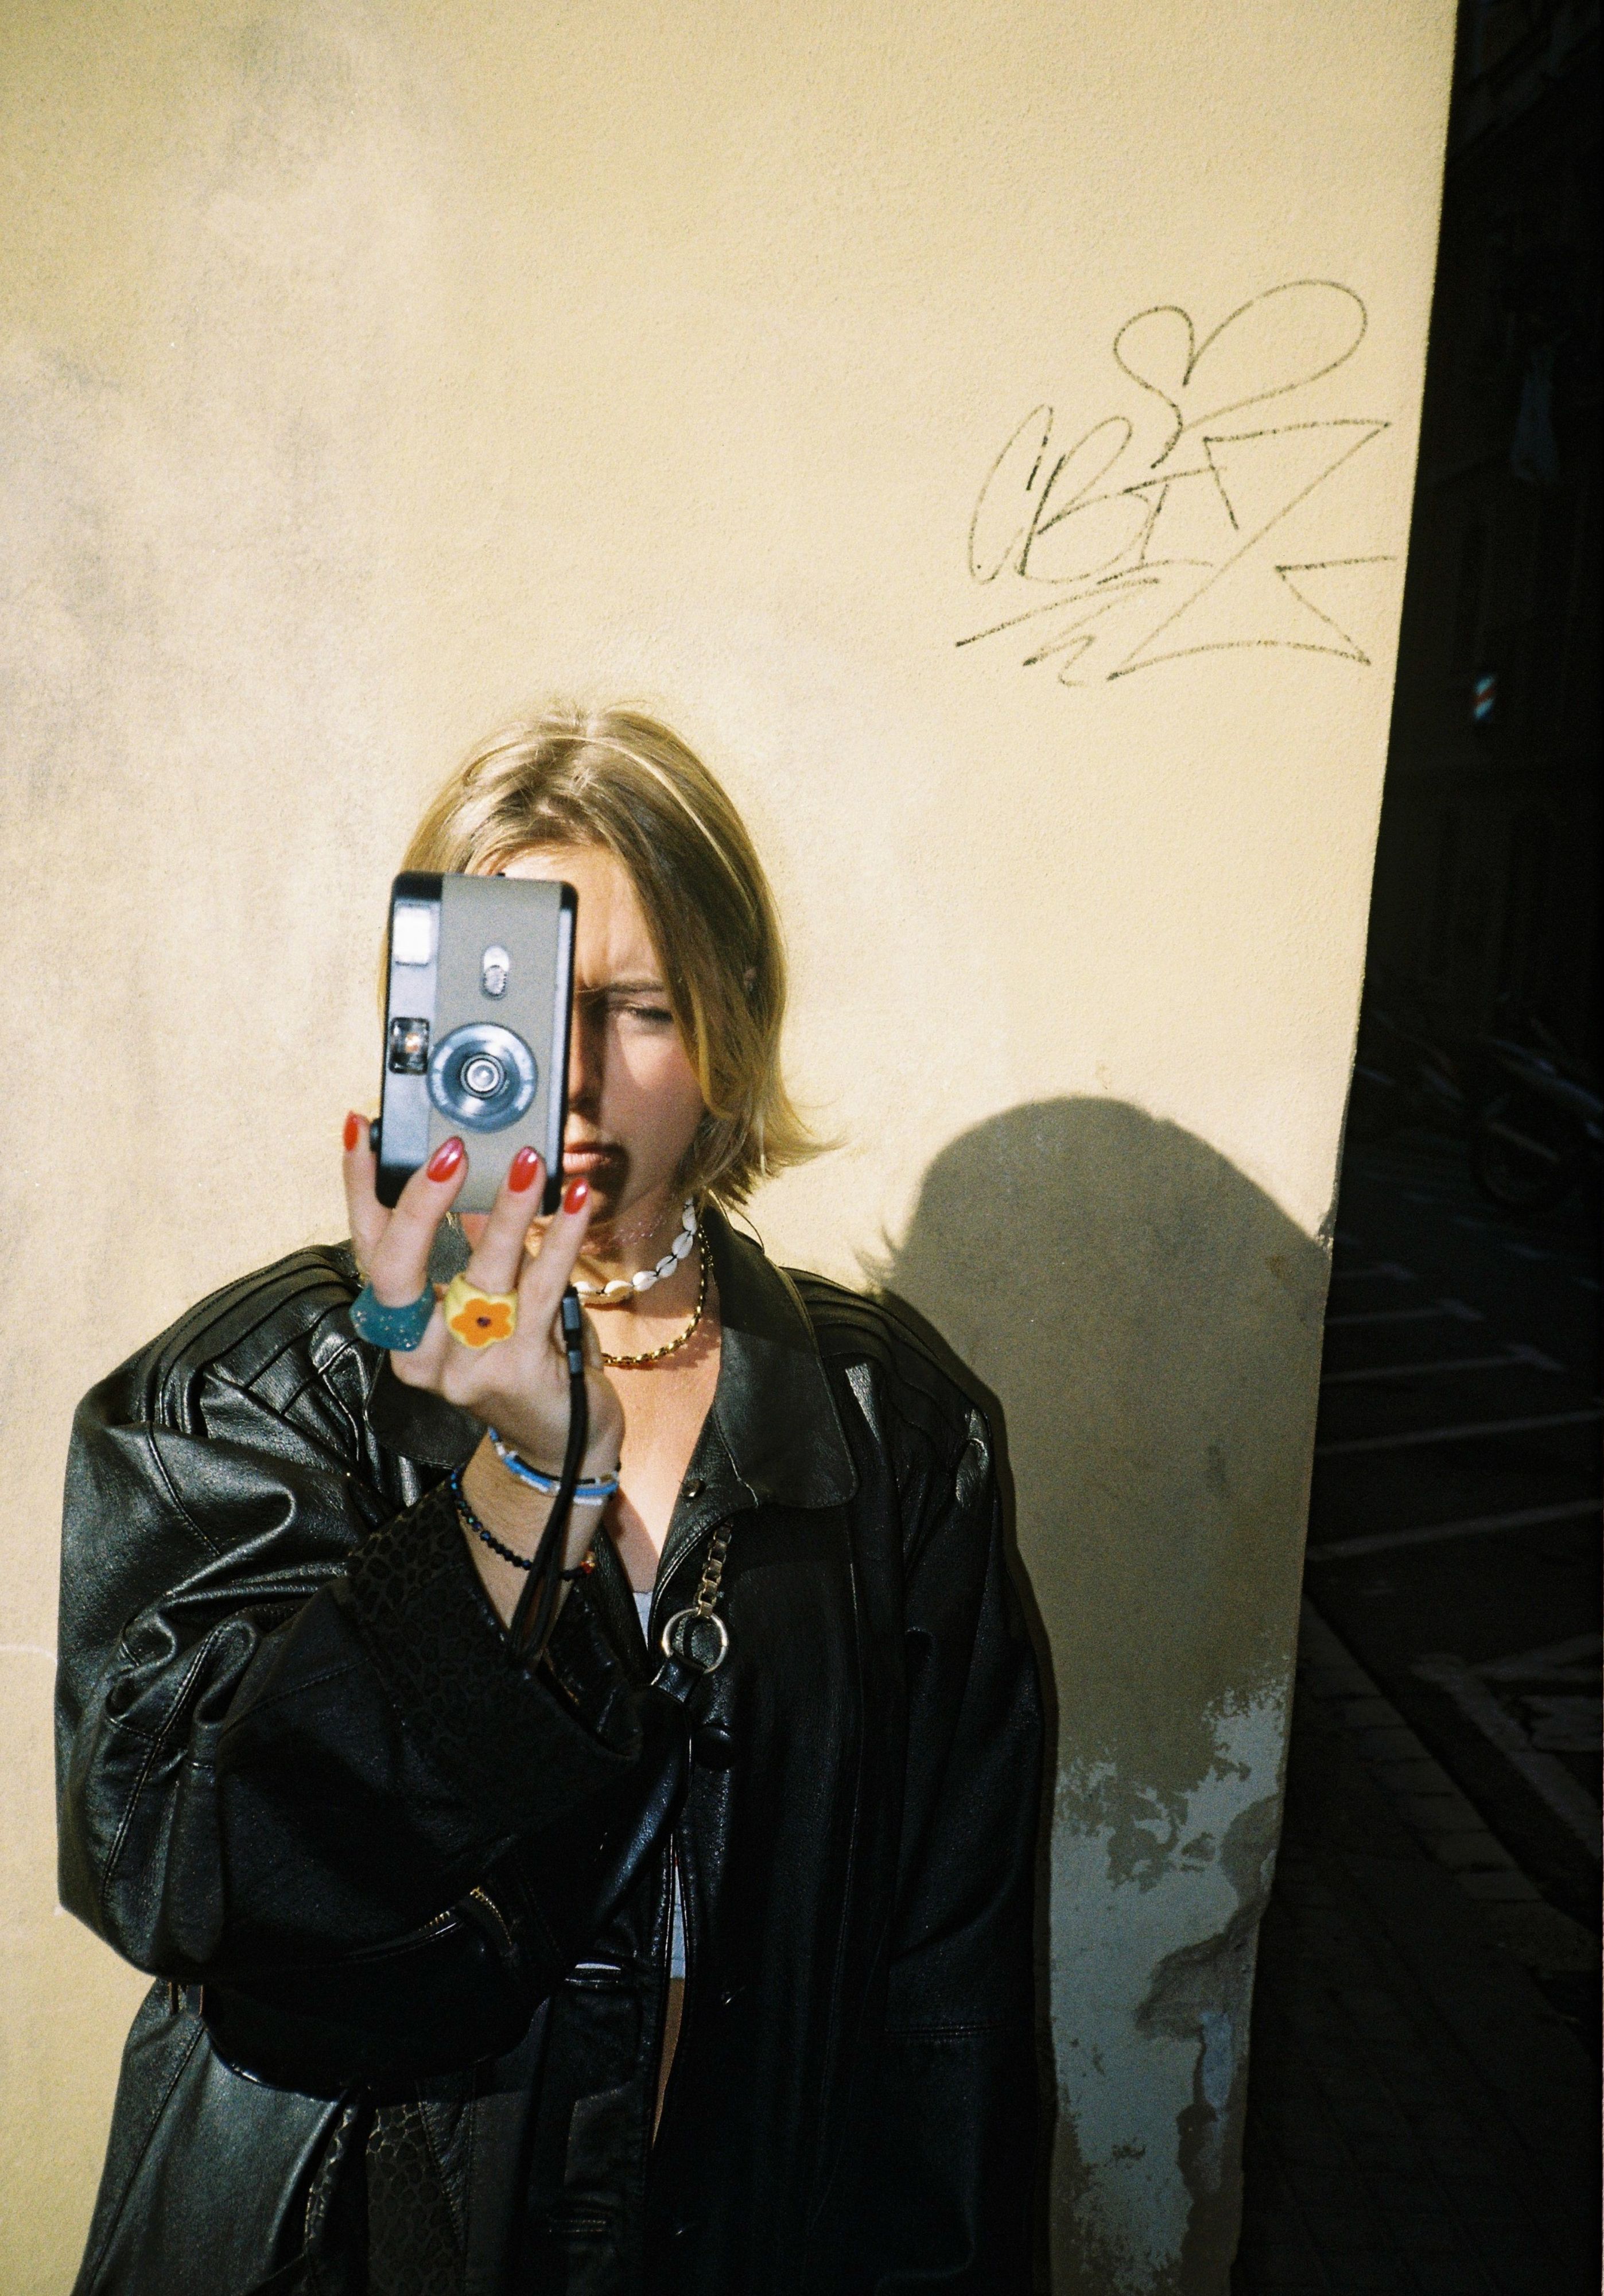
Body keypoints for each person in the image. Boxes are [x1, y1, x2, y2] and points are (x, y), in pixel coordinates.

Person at [57, 705, 1043, 2295]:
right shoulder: (260, 1389)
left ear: (732, 1021)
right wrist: (526, 1462)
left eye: (639, 1007)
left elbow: (952, 1995)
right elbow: (185, 1872)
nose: (571, 1080)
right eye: (514, 1005)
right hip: (345, 2248)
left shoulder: (892, 1429)